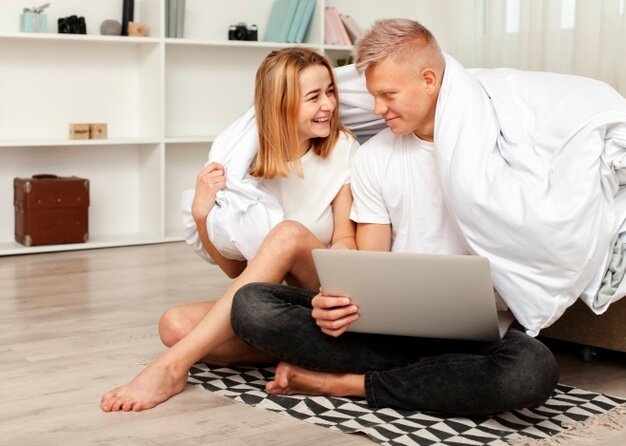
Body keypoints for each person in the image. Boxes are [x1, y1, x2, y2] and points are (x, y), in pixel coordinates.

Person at [229, 19, 560, 416]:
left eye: (388, 95)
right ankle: (431, 375)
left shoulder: (497, 148)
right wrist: (333, 301)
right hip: (388, 334)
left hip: (475, 335)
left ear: (429, 80)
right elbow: (371, 265)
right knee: (251, 305)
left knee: (532, 369)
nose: (377, 109)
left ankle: (348, 383)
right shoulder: (373, 158)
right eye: (373, 96)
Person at [100, 47, 360, 412]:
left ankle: (171, 368)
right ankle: (315, 353)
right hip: (276, 307)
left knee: (288, 234)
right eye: (314, 97)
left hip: (323, 293)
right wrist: (201, 215)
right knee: (173, 325)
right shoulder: (245, 166)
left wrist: (338, 271)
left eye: (330, 91)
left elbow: (347, 237)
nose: (329, 105)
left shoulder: (343, 149)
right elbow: (237, 271)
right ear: (281, 104)